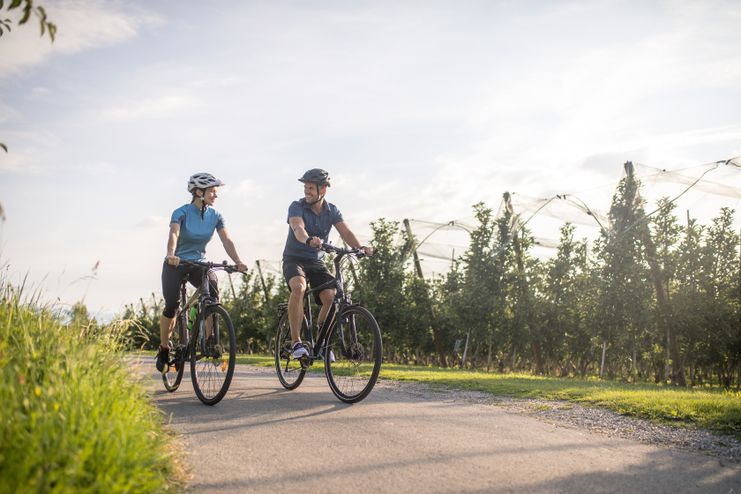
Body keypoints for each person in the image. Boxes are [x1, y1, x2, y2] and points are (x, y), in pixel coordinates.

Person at [156, 173, 247, 372]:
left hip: (199, 263)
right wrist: (171, 254)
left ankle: (209, 339)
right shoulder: (181, 212)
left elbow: (226, 240)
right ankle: (164, 347)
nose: (216, 195)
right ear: (199, 192)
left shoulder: (216, 216)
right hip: (176, 263)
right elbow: (174, 233)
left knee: (212, 292)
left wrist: (238, 261)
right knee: (172, 305)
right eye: (212, 191)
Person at [282, 168, 373, 359]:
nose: (306, 191)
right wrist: (308, 240)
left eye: (310, 188)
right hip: (294, 259)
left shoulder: (332, 211)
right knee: (299, 287)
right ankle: (296, 342)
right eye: (305, 187)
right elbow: (298, 227)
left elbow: (345, 232)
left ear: (323, 190)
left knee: (331, 297)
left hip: (316, 262)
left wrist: (360, 247)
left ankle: (322, 342)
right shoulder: (296, 206)